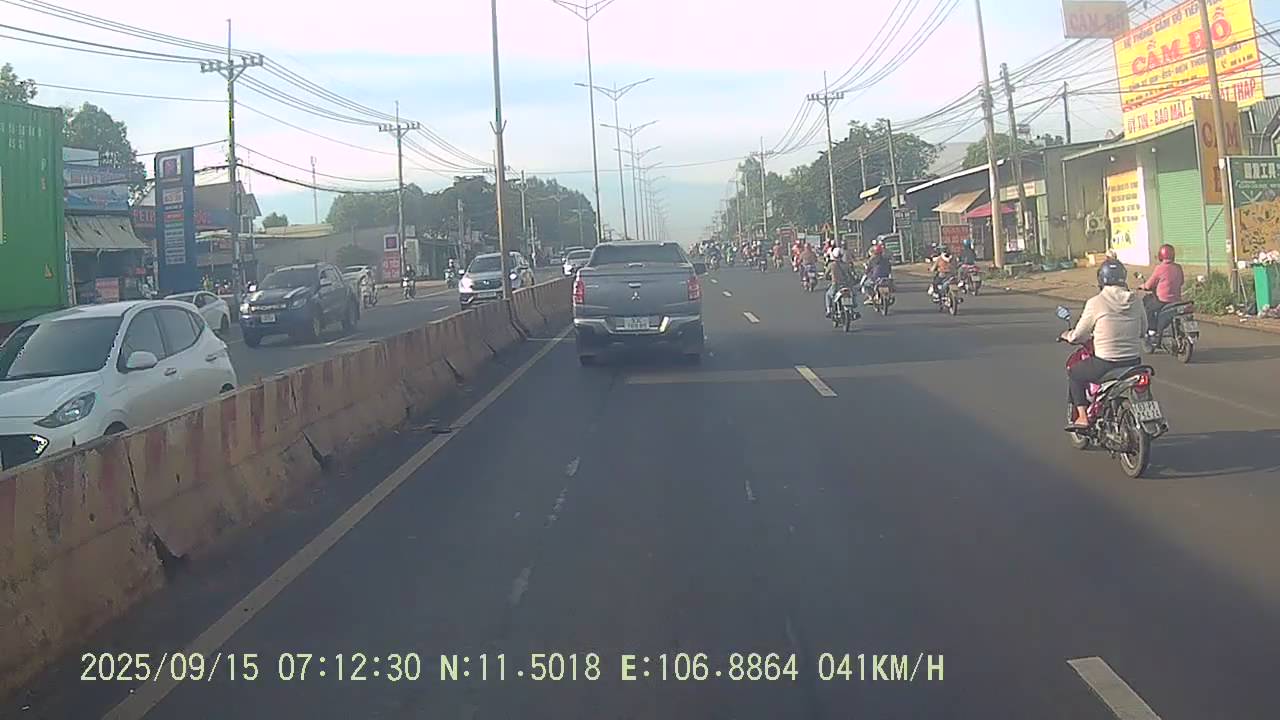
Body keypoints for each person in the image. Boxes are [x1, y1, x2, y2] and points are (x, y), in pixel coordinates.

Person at [1060, 259, 1147, 430]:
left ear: (1101, 279)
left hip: (1106, 363)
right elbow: (1143, 330)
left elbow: (1079, 335)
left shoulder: (1096, 302)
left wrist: (1067, 335)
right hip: (1134, 363)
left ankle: (1083, 417)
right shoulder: (1136, 300)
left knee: (1074, 373)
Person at [1139, 243, 1185, 344]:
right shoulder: (1178, 267)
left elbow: (1149, 285)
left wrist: (1143, 286)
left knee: (1148, 308)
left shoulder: (1160, 268)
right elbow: (1181, 282)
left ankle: (1152, 331)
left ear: (1160, 255)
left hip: (1163, 300)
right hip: (1177, 300)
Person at [824, 248, 858, 319]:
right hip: (846, 285)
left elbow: (826, 275)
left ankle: (829, 310)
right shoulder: (846, 265)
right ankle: (853, 308)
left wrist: (828, 278)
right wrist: (854, 280)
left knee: (828, 295)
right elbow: (850, 274)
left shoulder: (831, 265)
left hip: (836, 285)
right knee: (853, 294)